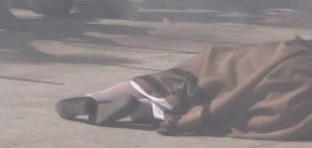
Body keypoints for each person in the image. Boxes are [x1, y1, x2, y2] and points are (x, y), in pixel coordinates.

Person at [56, 39, 312, 139]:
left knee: (210, 69)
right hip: (299, 76)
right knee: (249, 105)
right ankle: (151, 110)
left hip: (285, 55)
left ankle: (93, 98)